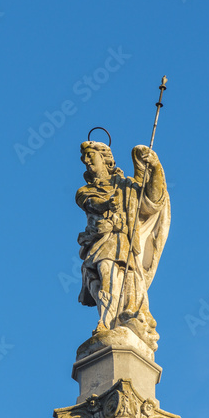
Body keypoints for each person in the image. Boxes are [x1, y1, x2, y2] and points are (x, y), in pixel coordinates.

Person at [76, 140, 170, 350]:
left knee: (121, 278)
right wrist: (107, 204)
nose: (87, 160)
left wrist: (154, 168)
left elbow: (153, 200)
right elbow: (91, 203)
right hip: (102, 241)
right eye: (85, 158)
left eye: (91, 155)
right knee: (105, 274)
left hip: (125, 244)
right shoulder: (84, 190)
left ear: (105, 159)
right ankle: (107, 321)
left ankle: (115, 321)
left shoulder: (128, 186)